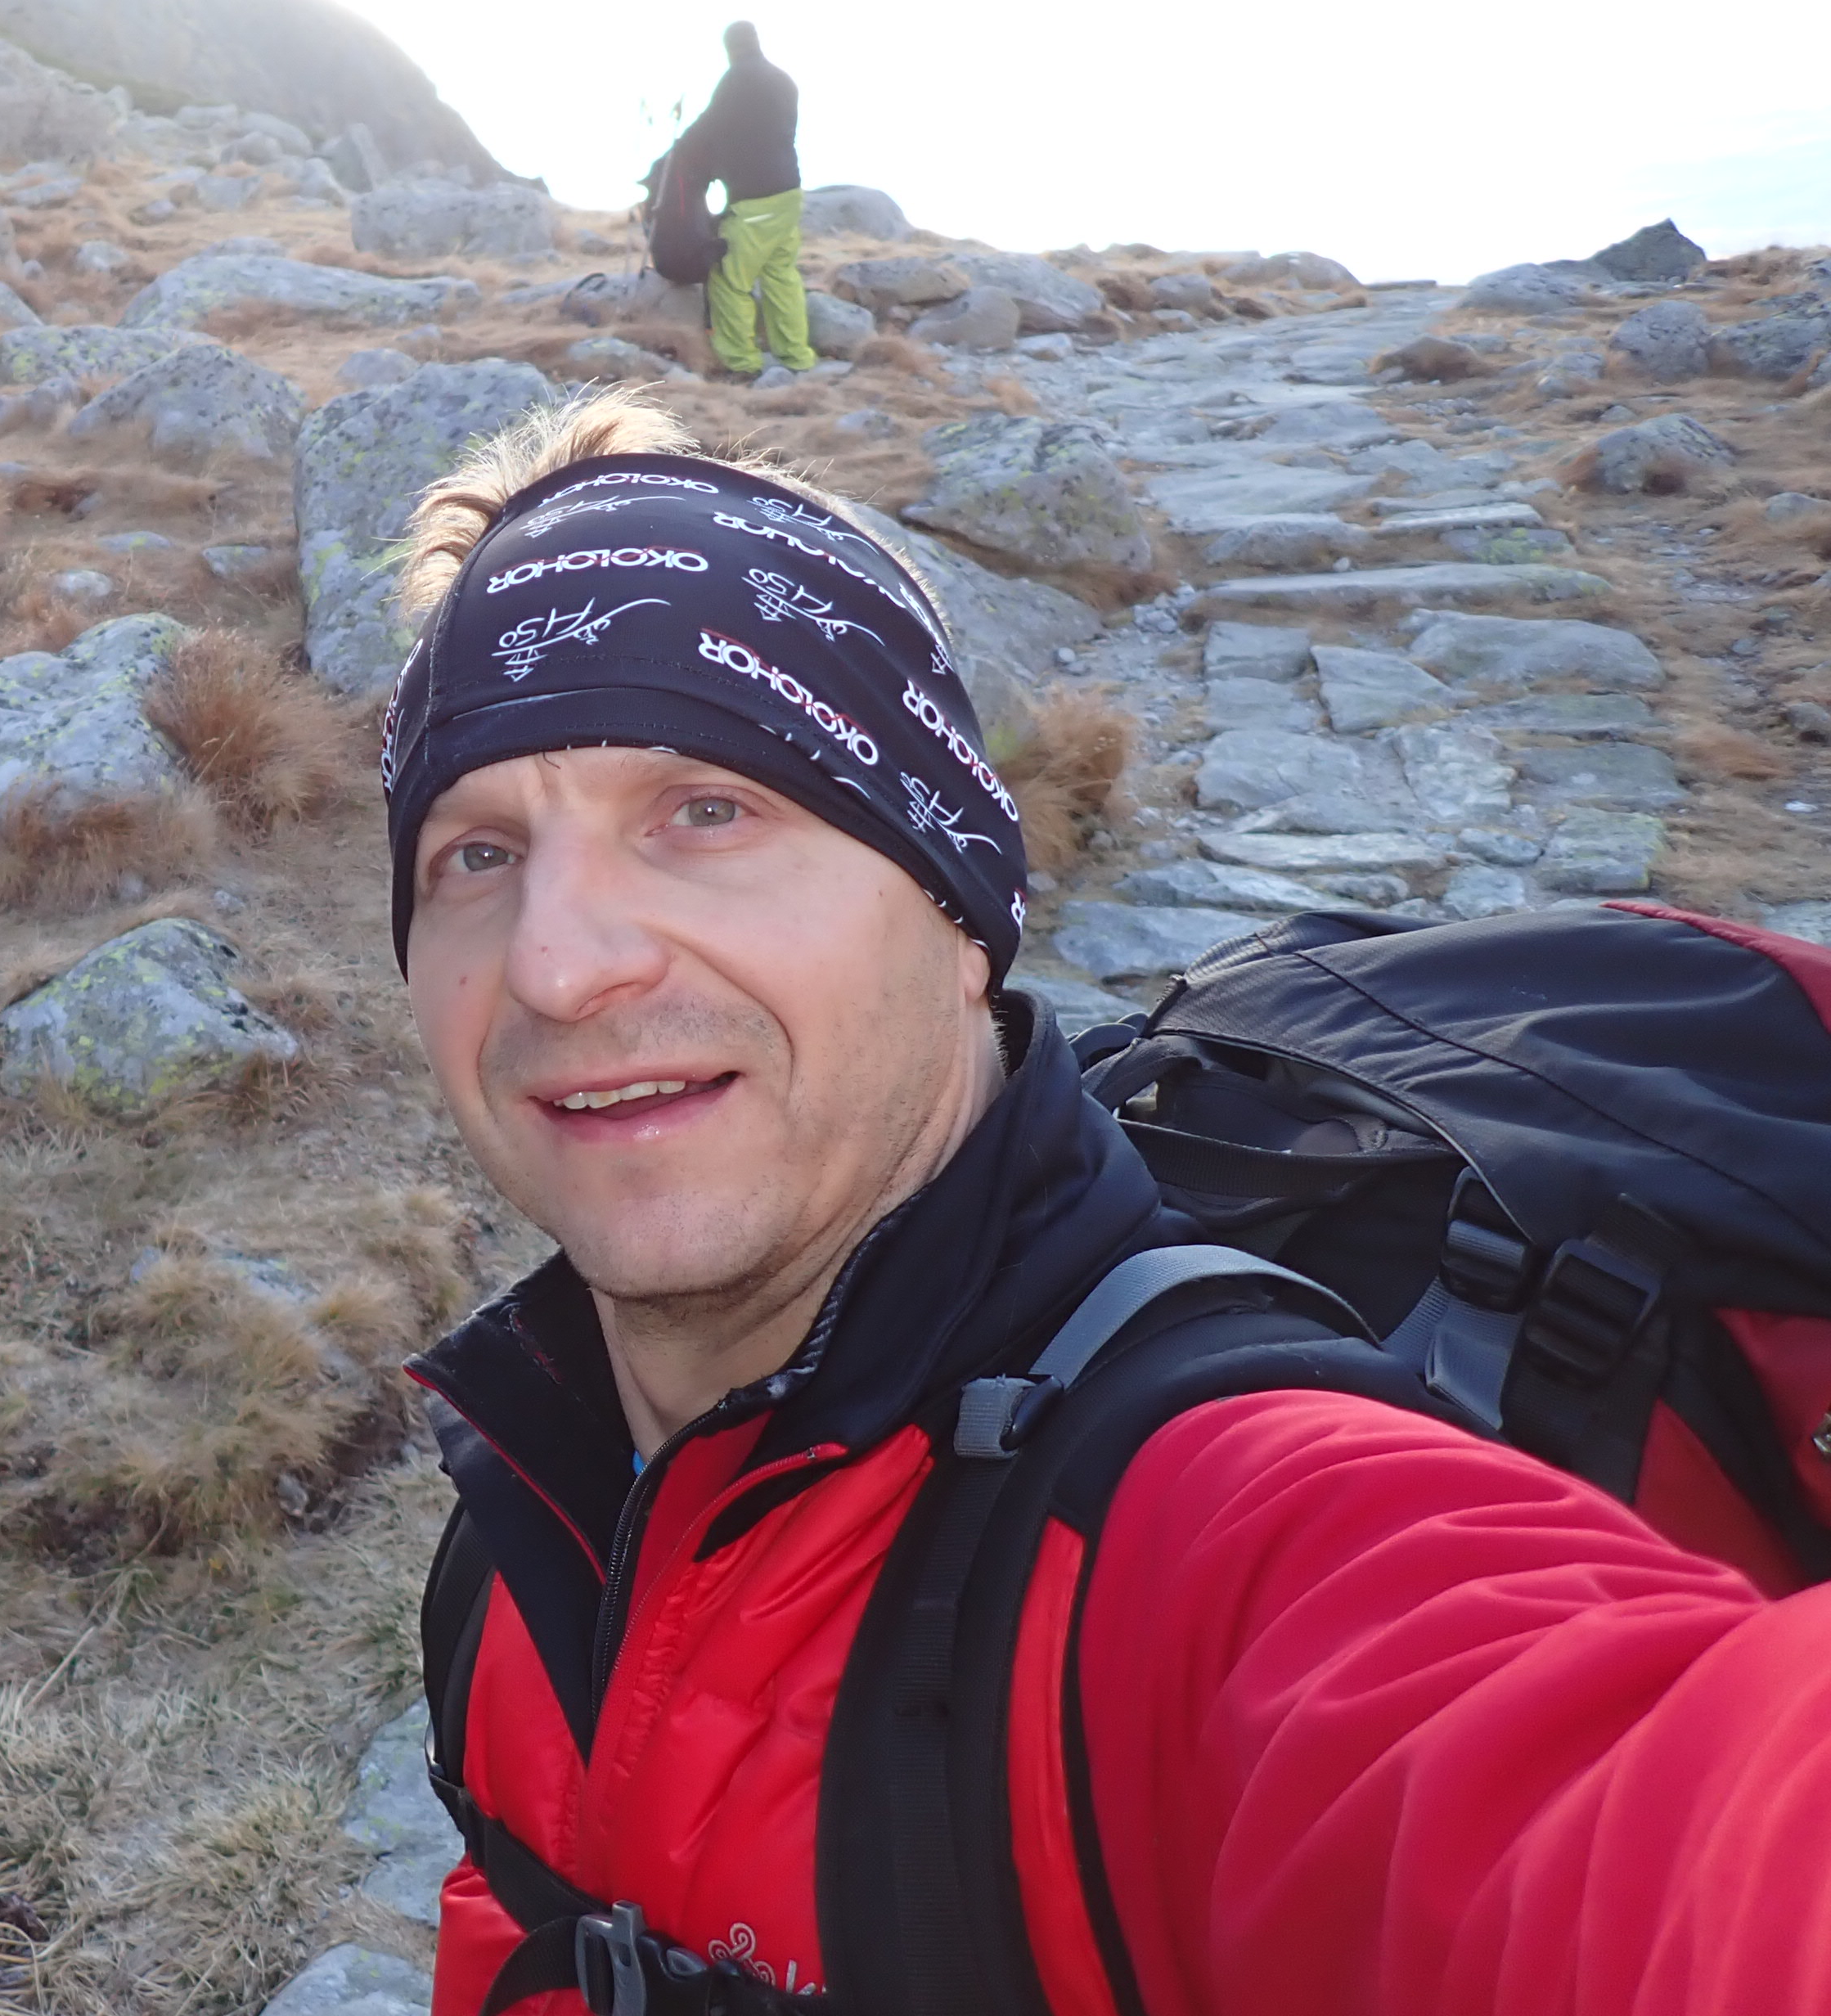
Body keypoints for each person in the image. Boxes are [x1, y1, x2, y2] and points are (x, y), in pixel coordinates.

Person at [379, 390, 1831, 2016]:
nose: (556, 964)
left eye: (706, 811)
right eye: (475, 854)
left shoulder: (1226, 1549)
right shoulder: (533, 1503)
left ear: (957, 904)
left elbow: (1667, 1854)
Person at [667, 24, 812, 377]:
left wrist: (678, 151)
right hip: (788, 192)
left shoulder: (739, 78)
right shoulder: (783, 80)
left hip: (755, 198)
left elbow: (710, 124)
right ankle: (797, 358)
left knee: (729, 278)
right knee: (780, 275)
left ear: (730, 47)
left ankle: (742, 364)